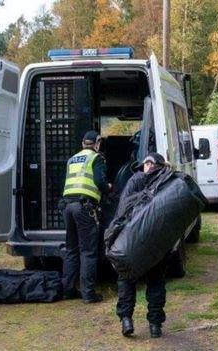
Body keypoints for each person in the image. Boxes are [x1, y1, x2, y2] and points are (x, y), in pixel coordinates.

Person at [116, 152, 169, 338]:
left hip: (132, 240)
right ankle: (155, 325)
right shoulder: (168, 183)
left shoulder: (134, 180)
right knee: (155, 281)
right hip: (156, 242)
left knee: (126, 279)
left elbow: (122, 210)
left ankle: (126, 319)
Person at [61, 130, 111, 303]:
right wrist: (109, 188)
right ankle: (88, 294)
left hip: (67, 207)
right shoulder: (97, 158)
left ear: (83, 143)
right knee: (88, 251)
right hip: (85, 207)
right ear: (97, 144)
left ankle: (68, 289)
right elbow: (99, 181)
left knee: (71, 250)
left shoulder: (72, 159)